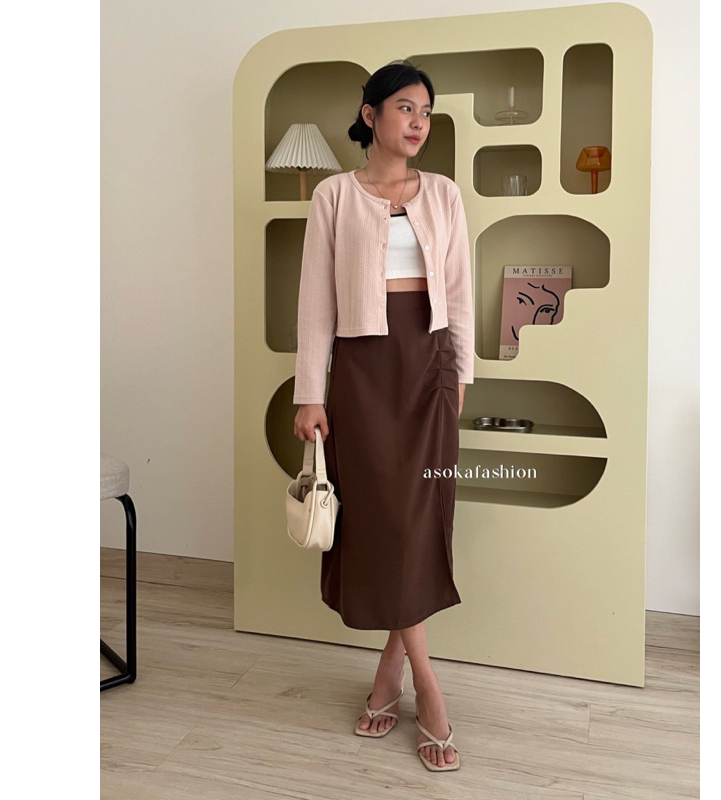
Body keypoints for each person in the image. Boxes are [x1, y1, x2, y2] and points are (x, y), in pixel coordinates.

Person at [292, 60, 474, 771]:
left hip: (429, 368)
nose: (418, 121)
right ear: (370, 115)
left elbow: (459, 292)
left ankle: (395, 675)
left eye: (426, 111)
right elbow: (316, 300)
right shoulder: (334, 196)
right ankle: (426, 684)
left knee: (417, 519)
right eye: (405, 107)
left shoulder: (445, 194)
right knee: (380, 520)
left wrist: (461, 377)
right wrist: (310, 391)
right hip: (362, 374)